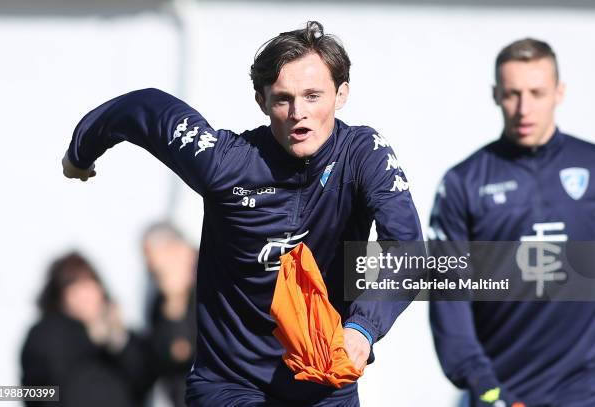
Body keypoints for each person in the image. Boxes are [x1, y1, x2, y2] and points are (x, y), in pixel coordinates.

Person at [62, 21, 423, 406]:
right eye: (283, 98)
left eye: (313, 96)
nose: (298, 113)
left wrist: (362, 328)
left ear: (341, 93)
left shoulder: (364, 155)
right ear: (261, 101)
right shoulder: (225, 162)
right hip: (231, 386)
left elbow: (407, 249)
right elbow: (144, 108)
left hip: (325, 382)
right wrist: (80, 153)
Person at [429, 38, 595, 407]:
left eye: (537, 92)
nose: (524, 108)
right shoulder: (463, 184)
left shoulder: (591, 167)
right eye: (512, 94)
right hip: (502, 392)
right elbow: (449, 300)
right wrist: (489, 392)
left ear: (559, 92)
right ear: (495, 95)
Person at [21, 251, 155, 407]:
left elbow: (147, 378)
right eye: (75, 288)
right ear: (60, 296)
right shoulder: (45, 334)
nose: (85, 296)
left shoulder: (123, 337)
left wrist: (119, 341)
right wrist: (89, 338)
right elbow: (32, 390)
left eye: (89, 285)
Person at [142, 221, 198, 407]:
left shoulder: (213, 276)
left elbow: (181, 350)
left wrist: (175, 300)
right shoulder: (160, 295)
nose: (149, 265)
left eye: (150, 255)